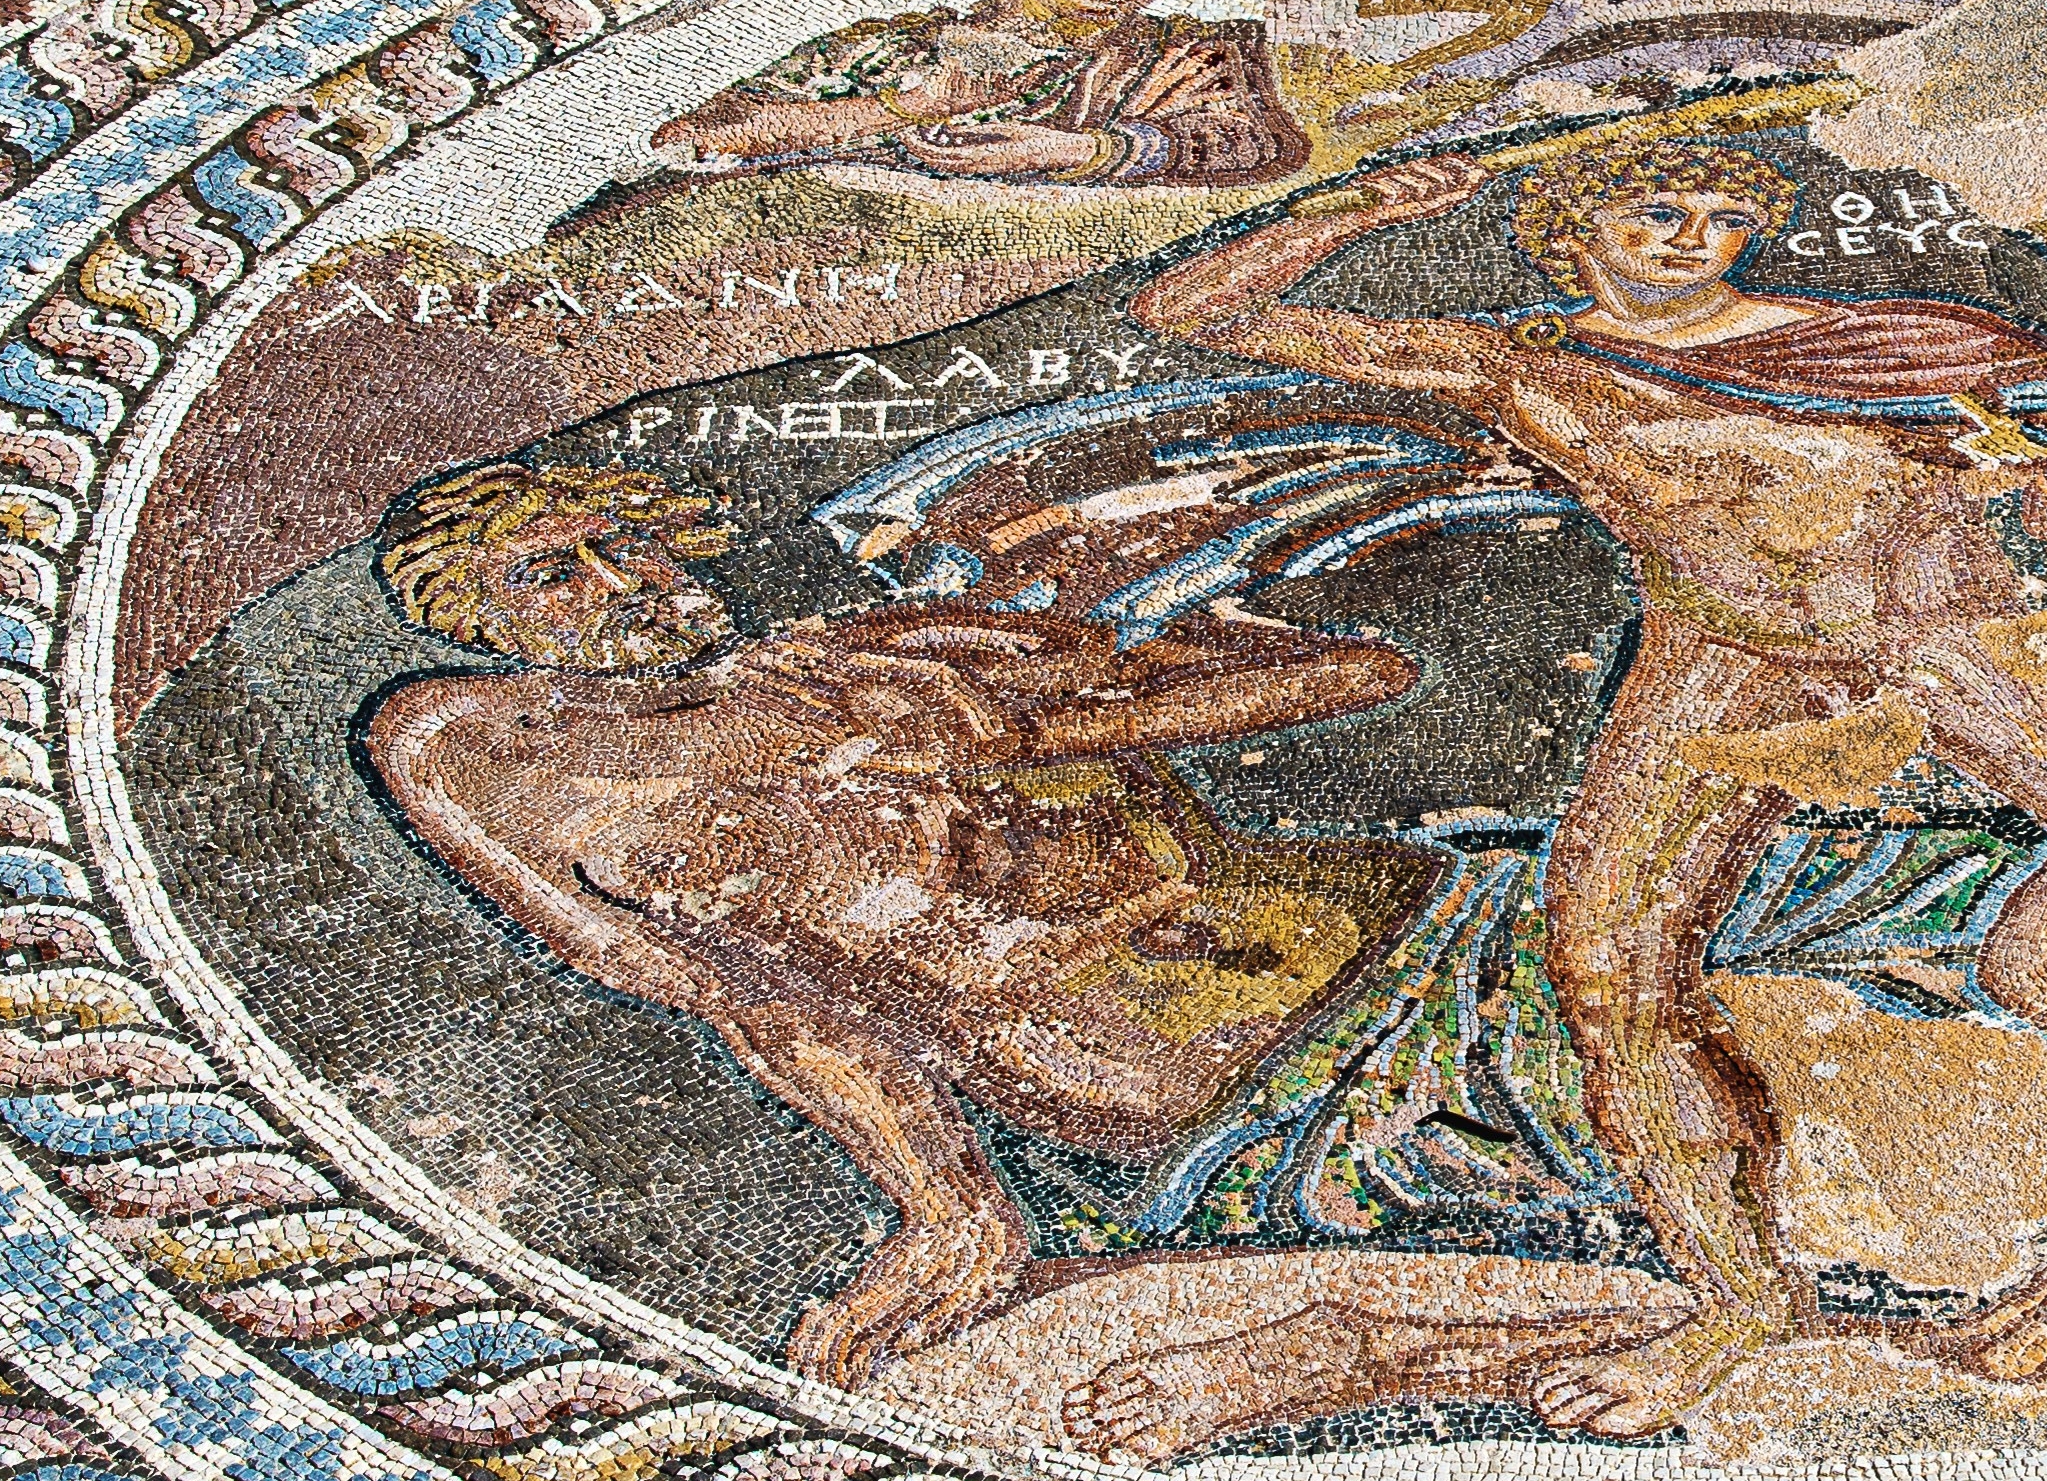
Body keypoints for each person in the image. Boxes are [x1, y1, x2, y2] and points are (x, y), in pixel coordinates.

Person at [1135, 130, 2047, 1436]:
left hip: (1946, 641)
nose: (1693, 238)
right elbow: (1198, 306)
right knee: (1609, 967)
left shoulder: (1891, 342)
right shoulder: (1520, 367)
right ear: (1571, 238)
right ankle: (1736, 1303)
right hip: (1720, 653)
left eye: (1724, 216)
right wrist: (1366, 211)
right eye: (1654, 215)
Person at [356, 452, 1518, 1395]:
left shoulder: (882, 654)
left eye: (631, 543)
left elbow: (1355, 668)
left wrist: (1026, 737)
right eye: (549, 574)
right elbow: (759, 999)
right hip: (1216, 1113)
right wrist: (946, 1206)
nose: (622, 585)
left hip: (1428, 940)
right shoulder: (473, 747)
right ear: (471, 618)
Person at [644, 0, 1302, 189]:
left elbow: (1257, 145)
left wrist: (1071, 149)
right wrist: (900, 110)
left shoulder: (1192, 50)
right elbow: (693, 138)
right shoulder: (888, 47)